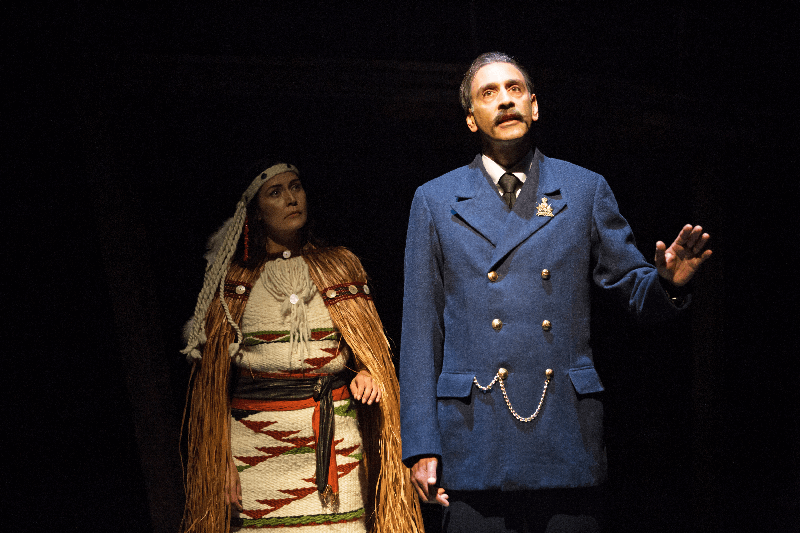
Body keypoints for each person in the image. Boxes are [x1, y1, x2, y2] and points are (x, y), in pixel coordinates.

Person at [399, 52, 712, 532]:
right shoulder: (436, 200)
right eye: (489, 94)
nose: (505, 100)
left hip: (562, 434)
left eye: (515, 89)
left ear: (535, 106)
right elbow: (420, 331)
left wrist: (667, 284)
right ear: (470, 119)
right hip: (476, 436)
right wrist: (421, 445)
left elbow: (632, 287)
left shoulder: (583, 189)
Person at [180, 161, 423, 532]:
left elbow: (368, 351)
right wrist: (220, 460)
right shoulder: (237, 280)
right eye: (275, 193)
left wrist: (367, 373)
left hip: (334, 440)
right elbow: (213, 382)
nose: (291, 198)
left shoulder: (339, 267)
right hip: (256, 445)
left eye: (295, 187)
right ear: (257, 212)